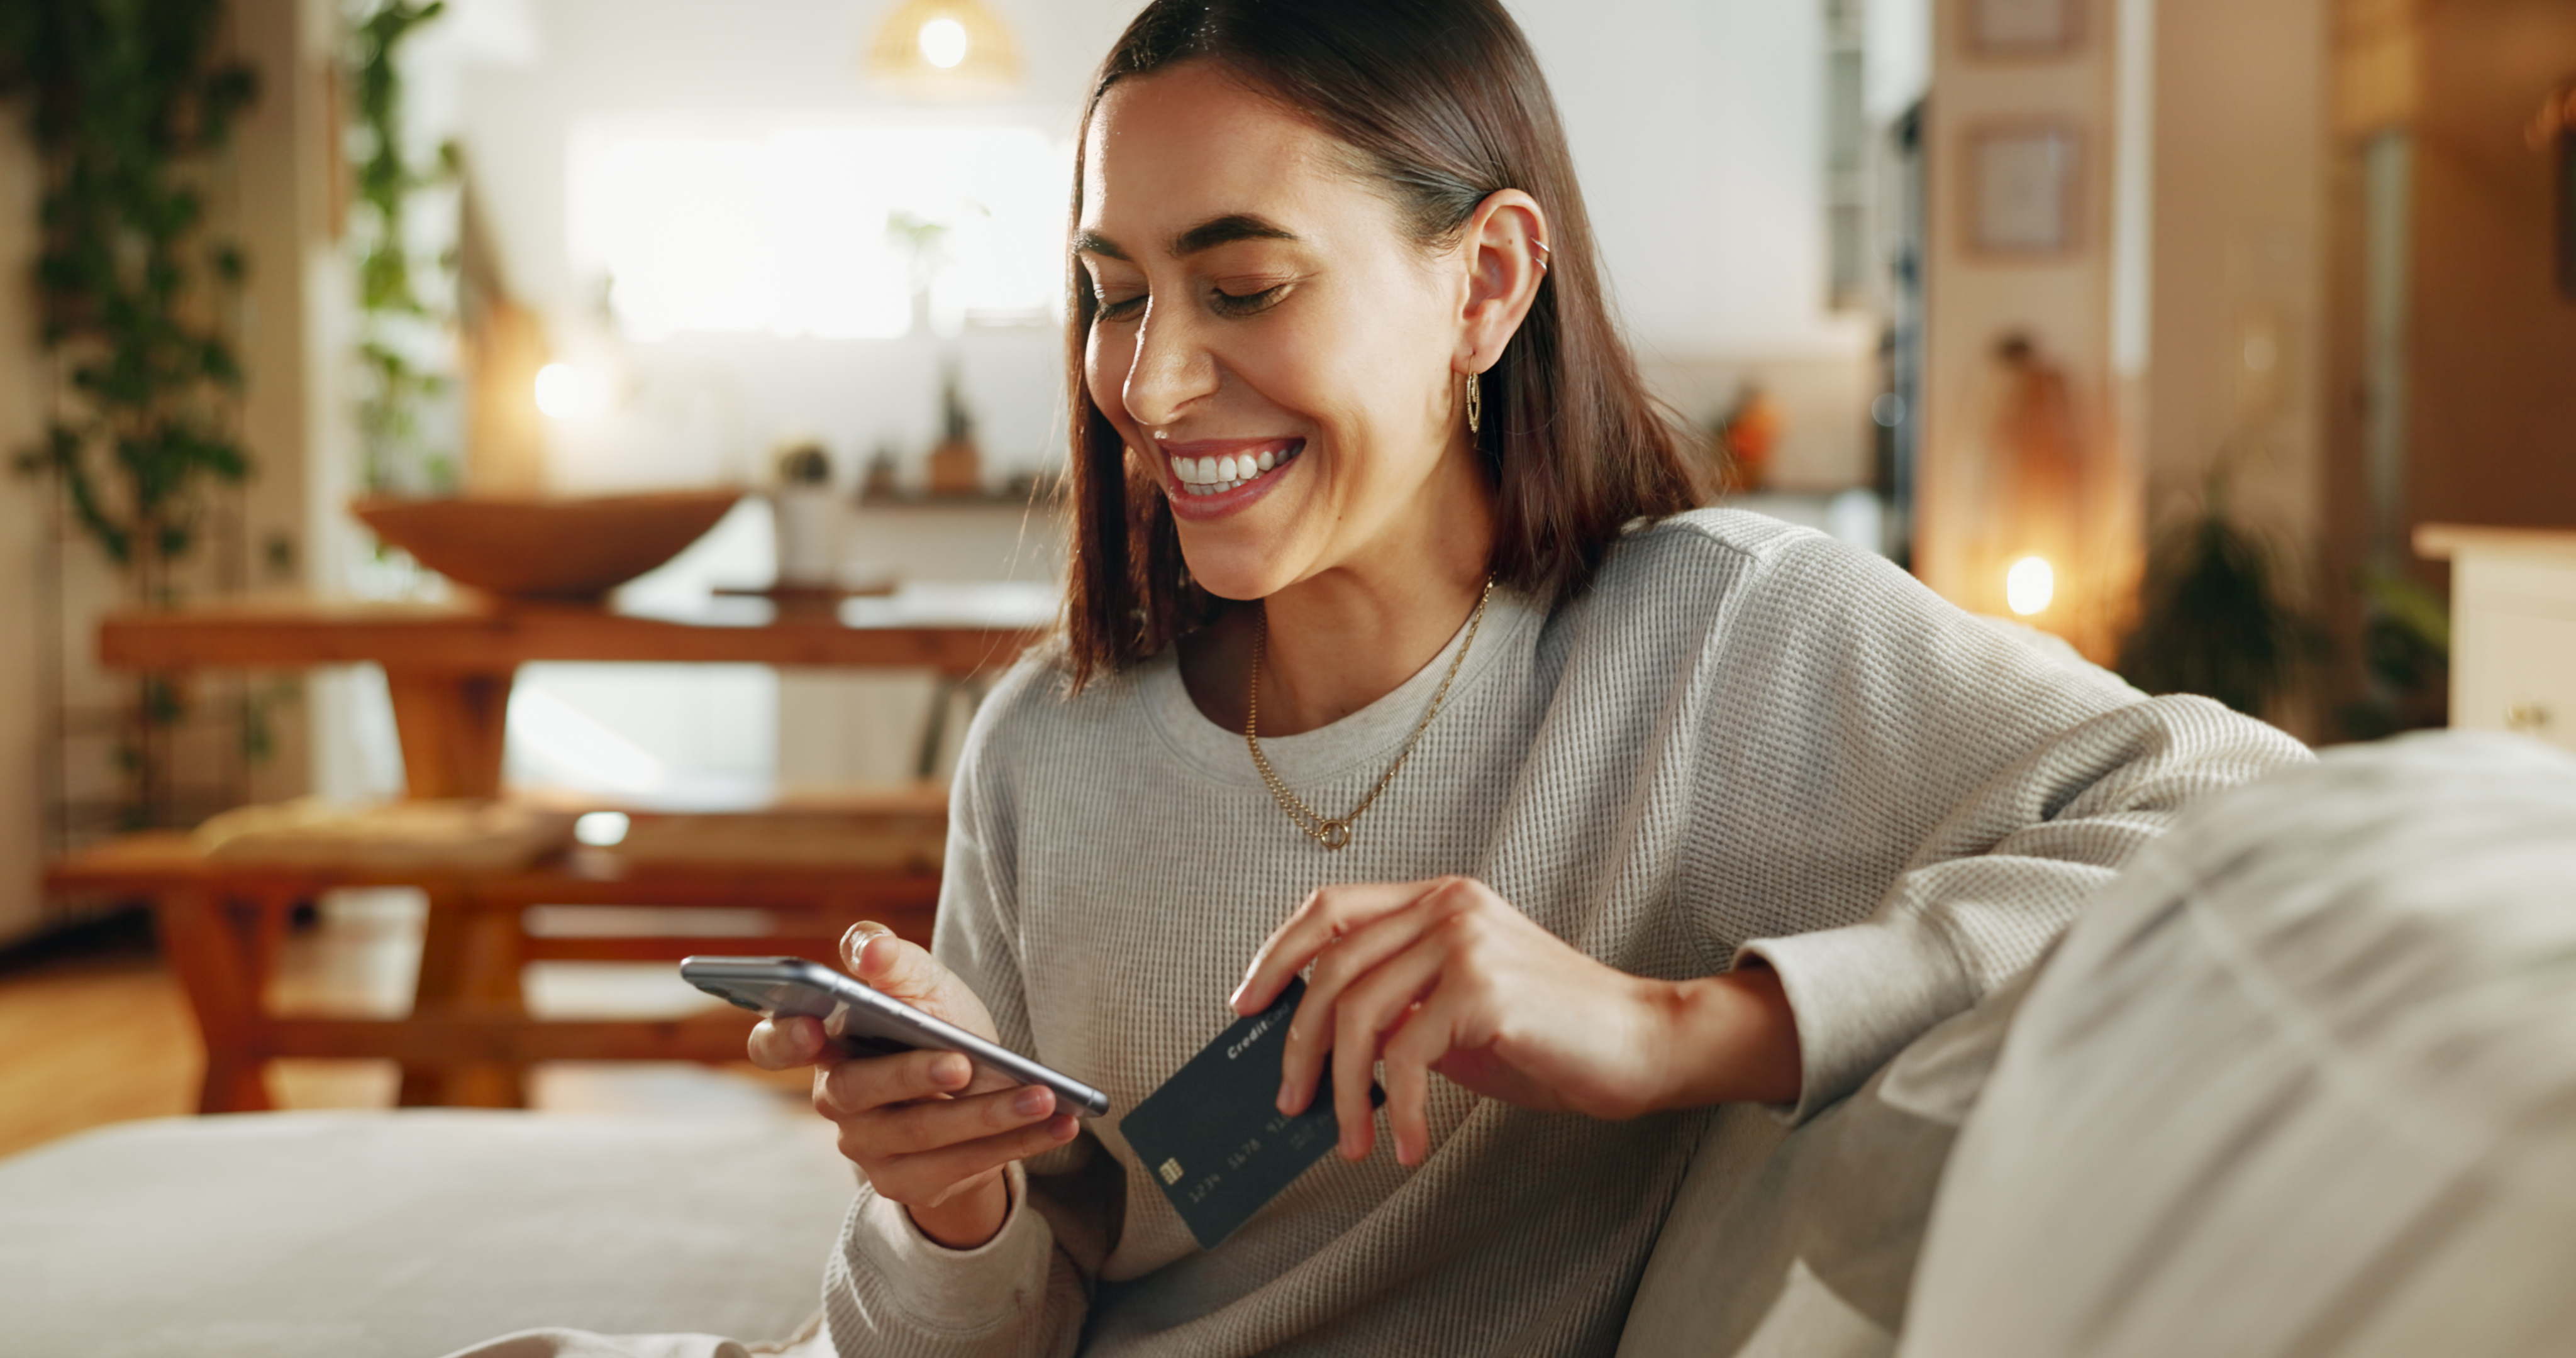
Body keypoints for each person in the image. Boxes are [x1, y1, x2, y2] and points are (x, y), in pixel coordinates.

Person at [453, 3, 2306, 1355]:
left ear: (1488, 286)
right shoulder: (1052, 748)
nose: (1149, 385)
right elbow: (992, 1324)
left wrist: (1679, 1033)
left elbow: (2248, 810)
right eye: (1112, 292)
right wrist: (955, 1199)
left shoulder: (1725, 640)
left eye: (1244, 287)